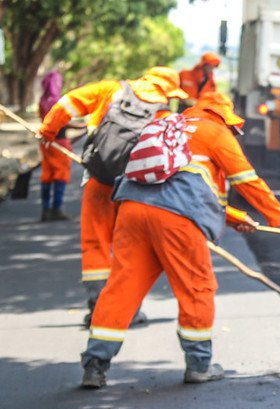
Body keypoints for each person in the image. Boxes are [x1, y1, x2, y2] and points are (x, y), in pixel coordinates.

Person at [78, 91, 280, 389]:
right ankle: (199, 364)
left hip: (132, 211)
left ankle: (95, 365)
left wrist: (234, 217)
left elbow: (179, 182)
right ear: (225, 116)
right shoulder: (216, 132)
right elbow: (247, 181)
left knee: (121, 288)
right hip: (177, 221)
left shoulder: (167, 125)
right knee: (197, 288)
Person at [38, 67, 188, 327]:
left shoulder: (111, 90)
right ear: (167, 91)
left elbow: (66, 104)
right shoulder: (165, 114)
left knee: (95, 242)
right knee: (129, 248)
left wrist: (48, 132)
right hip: (136, 188)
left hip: (99, 179)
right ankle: (127, 309)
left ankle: (98, 306)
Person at [37, 71, 74, 221]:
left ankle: (45, 210)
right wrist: (82, 126)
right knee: (61, 174)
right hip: (59, 142)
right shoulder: (59, 102)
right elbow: (63, 122)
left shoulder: (42, 101)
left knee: (47, 174)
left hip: (45, 142)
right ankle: (56, 209)